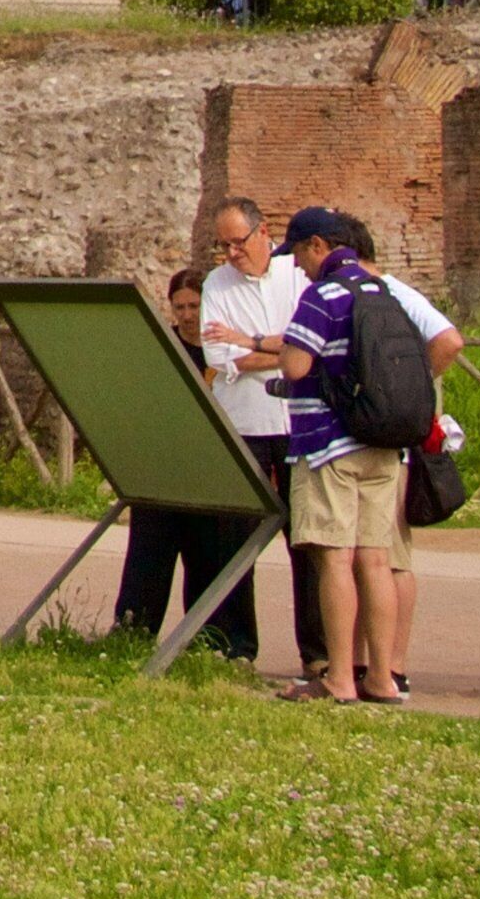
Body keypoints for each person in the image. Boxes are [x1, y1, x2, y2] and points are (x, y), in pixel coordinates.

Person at [271, 207, 404, 705]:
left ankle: (341, 677)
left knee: (334, 558)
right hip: (381, 443)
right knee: (375, 561)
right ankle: (382, 677)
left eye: (299, 254)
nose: (299, 265)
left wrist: (283, 354)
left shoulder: (323, 294)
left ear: (318, 247)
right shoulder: (382, 291)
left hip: (329, 445)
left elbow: (297, 363)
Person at [343, 223, 464, 698]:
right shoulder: (362, 292)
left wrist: (403, 389)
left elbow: (449, 341)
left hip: (391, 440)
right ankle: (360, 663)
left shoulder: (390, 291)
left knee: (390, 555)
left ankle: (391, 665)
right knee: (362, 556)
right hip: (369, 437)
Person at [194, 199, 311, 675]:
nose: (230, 254)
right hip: (244, 424)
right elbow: (221, 357)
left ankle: (319, 653)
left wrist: (252, 343)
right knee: (235, 542)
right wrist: (282, 350)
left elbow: (313, 343)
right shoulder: (215, 284)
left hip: (298, 423)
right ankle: (237, 647)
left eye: (237, 243)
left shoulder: (297, 275)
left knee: (307, 541)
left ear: (264, 233)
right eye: (222, 245)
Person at [114, 269, 256, 659]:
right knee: (149, 554)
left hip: (215, 468)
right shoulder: (163, 347)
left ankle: (219, 641)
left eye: (195, 305)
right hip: (166, 461)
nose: (188, 314)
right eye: (181, 307)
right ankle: (132, 632)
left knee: (215, 554)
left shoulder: (223, 349)